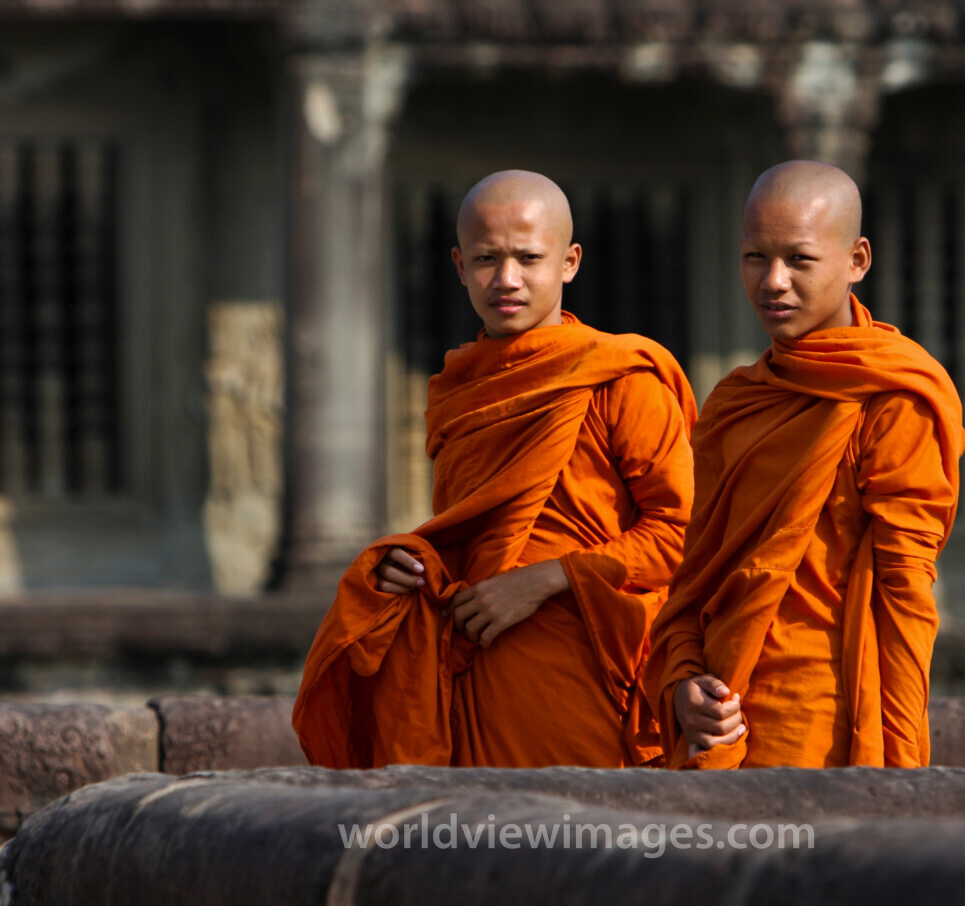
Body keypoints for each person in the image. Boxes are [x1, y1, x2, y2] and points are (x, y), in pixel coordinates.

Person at [294, 169, 696, 768]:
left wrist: (547, 579)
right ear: (459, 265)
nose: (506, 280)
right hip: (476, 669)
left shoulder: (622, 381)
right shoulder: (461, 391)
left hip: (589, 674)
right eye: (486, 259)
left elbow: (682, 536)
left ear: (570, 262)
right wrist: (412, 567)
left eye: (528, 258)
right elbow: (473, 539)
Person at [645, 160, 965, 769]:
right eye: (754, 257)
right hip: (721, 713)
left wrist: (899, 766)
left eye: (799, 259)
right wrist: (683, 680)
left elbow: (904, 598)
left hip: (824, 723)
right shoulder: (735, 404)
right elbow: (694, 576)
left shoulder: (895, 395)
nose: (773, 281)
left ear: (857, 261)